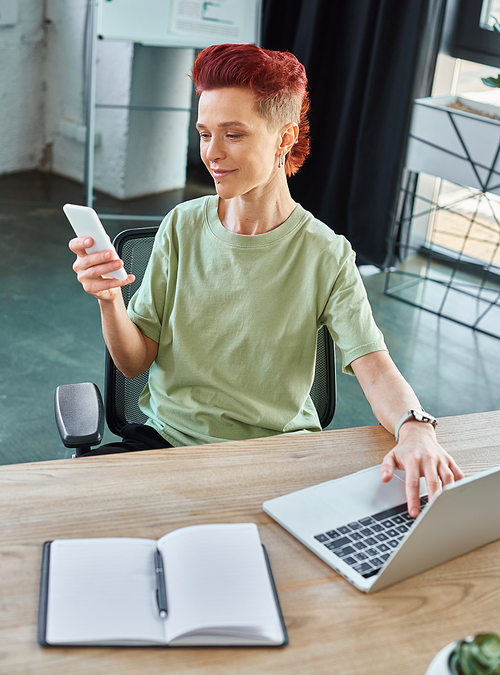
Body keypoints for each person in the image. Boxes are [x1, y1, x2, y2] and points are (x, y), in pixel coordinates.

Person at [69, 43, 463, 516]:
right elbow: (134, 364)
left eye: (233, 134)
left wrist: (416, 426)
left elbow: (375, 368)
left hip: (277, 460)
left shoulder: (326, 254)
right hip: (167, 445)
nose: (212, 154)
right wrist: (110, 299)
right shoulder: (181, 226)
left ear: (283, 139)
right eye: (204, 134)